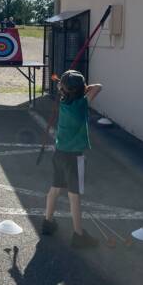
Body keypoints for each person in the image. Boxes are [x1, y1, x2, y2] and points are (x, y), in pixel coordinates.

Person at [41, 70, 103, 248]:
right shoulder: (81, 104)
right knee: (74, 196)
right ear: (82, 89)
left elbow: (68, 90)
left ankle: (48, 222)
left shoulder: (64, 102)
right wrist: (86, 88)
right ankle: (78, 235)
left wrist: (72, 88)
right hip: (74, 156)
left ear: (64, 90)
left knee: (54, 189)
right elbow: (99, 87)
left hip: (59, 153)